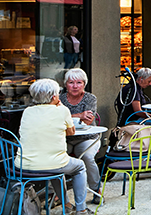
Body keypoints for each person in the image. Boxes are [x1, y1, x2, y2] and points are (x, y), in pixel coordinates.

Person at [19, 78, 90, 214]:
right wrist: (62, 108)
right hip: (52, 163)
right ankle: (81, 210)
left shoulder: (27, 111)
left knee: (55, 166)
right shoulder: (62, 111)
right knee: (79, 166)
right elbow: (71, 132)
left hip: (24, 165)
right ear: (54, 97)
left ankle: (67, 205)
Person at [59, 68, 101, 200]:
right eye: (71, 82)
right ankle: (57, 192)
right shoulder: (59, 99)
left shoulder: (90, 98)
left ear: (84, 84)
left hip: (87, 138)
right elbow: (56, 119)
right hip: (65, 138)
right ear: (66, 84)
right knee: (56, 156)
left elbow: (88, 121)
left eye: (79, 83)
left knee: (87, 157)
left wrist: (67, 118)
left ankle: (96, 189)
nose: (75, 86)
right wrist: (79, 115)